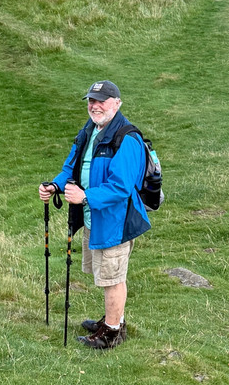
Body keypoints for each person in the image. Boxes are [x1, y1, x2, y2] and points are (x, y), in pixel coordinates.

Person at [38, 80, 150, 349]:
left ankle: (111, 332)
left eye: (101, 100)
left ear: (117, 103)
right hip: (94, 219)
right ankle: (113, 321)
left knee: (112, 277)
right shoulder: (89, 131)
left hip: (115, 221)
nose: (94, 105)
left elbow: (121, 187)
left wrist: (85, 196)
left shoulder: (127, 139)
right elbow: (71, 168)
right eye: (91, 100)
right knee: (106, 274)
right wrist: (55, 185)